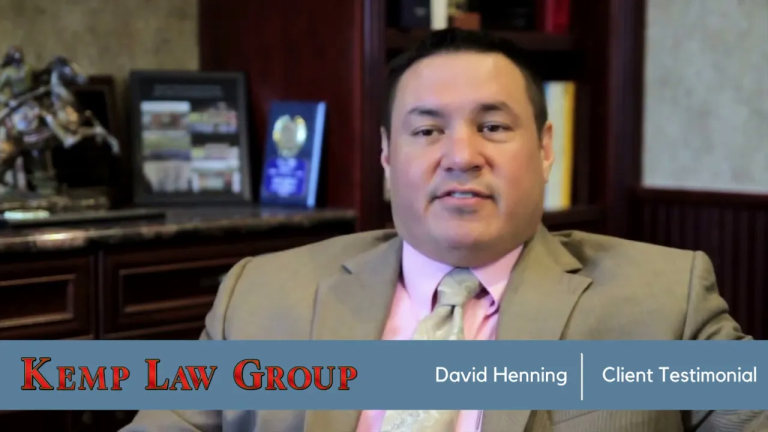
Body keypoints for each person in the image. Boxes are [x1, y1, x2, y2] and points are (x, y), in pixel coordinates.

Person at [122, 29, 765, 432]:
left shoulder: (664, 299)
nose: (461, 156)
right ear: (386, 154)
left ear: (545, 148)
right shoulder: (261, 295)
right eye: (428, 130)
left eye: (492, 127)